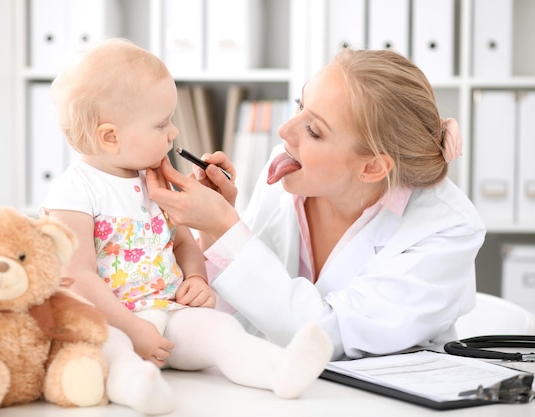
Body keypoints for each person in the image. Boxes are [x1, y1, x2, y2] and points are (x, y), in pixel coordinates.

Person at [40, 38, 332, 415]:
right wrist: (132, 327)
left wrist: (195, 278)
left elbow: (182, 241)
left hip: (169, 313)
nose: (174, 132)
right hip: (111, 321)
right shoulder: (74, 190)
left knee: (222, 333)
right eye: (162, 123)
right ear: (110, 137)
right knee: (108, 351)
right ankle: (140, 390)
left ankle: (279, 370)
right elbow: (77, 278)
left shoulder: (155, 179)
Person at [146, 48, 486, 361]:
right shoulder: (290, 172)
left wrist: (226, 230)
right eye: (299, 104)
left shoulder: (447, 228)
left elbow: (325, 337)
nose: (284, 130)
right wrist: (214, 231)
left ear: (372, 167)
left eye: (314, 131)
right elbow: (244, 308)